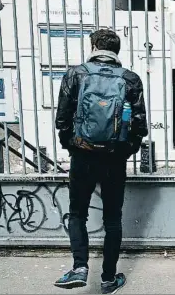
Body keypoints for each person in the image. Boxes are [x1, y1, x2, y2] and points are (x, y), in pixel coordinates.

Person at [54, 29, 148, 294]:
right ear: (116, 50)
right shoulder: (130, 79)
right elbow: (140, 126)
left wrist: (73, 145)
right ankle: (108, 279)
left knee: (77, 214)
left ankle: (80, 267)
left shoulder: (76, 74)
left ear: (94, 46)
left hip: (83, 156)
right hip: (114, 158)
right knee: (113, 220)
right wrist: (124, 151)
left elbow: (62, 119)